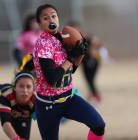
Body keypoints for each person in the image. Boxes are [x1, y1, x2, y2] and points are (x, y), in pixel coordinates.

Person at [33, 4, 105, 140]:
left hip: (68, 98)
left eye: (53, 16)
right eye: (45, 18)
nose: (51, 20)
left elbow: (69, 72)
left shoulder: (63, 37)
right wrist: (71, 57)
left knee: (98, 125)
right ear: (39, 23)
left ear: (58, 18)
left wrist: (80, 53)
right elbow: (52, 78)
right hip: (48, 104)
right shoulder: (43, 43)